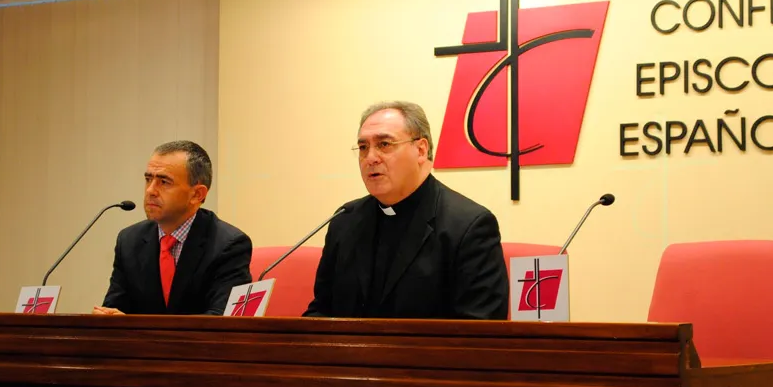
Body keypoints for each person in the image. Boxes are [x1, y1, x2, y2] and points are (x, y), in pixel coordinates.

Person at [303, 101, 509, 319]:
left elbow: (480, 332)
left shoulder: (469, 227)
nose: (370, 158)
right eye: (363, 147)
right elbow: (321, 311)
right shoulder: (345, 220)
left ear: (421, 150)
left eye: (384, 144)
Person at [94, 140, 252, 316]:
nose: (150, 191)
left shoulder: (228, 245)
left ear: (197, 194)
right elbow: (115, 310)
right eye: (148, 179)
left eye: (164, 182)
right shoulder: (130, 241)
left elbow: (219, 322)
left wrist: (138, 331)